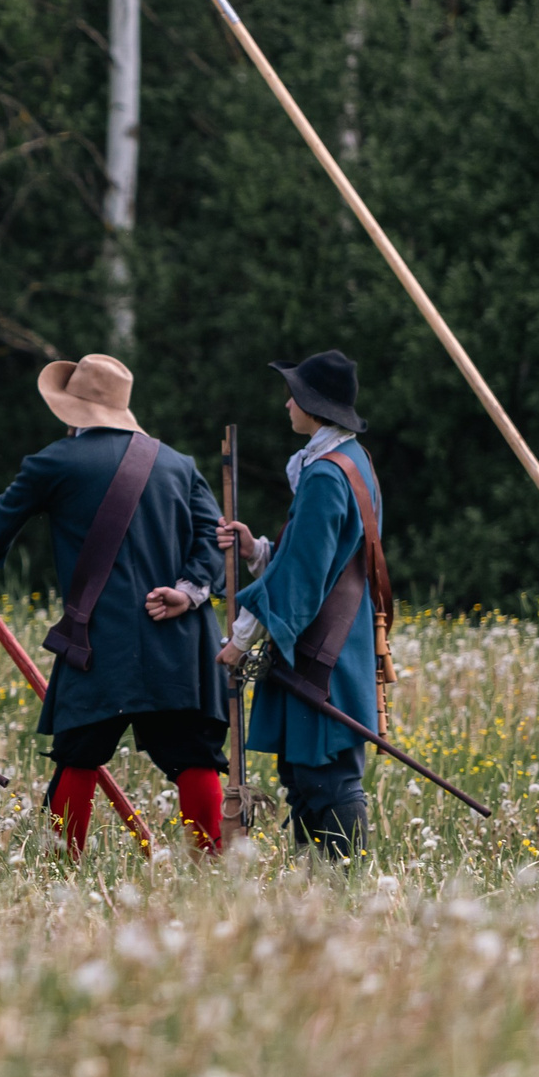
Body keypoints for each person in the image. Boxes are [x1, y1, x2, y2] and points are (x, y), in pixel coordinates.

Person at [0, 354, 229, 857]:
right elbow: (216, 542)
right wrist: (189, 590)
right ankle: (215, 873)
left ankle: (62, 870)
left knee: (78, 754)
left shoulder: (55, 461)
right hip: (179, 638)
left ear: (71, 409)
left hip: (101, 639)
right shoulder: (178, 463)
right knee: (195, 756)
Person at [216, 351, 385, 859]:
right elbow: (316, 558)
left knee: (325, 774)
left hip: (323, 648)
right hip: (331, 639)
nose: (287, 404)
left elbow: (304, 578)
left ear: (314, 406)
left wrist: (241, 638)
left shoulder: (327, 475)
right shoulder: (350, 460)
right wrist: (257, 551)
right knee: (307, 772)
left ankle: (343, 883)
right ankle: (318, 884)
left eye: (294, 396)